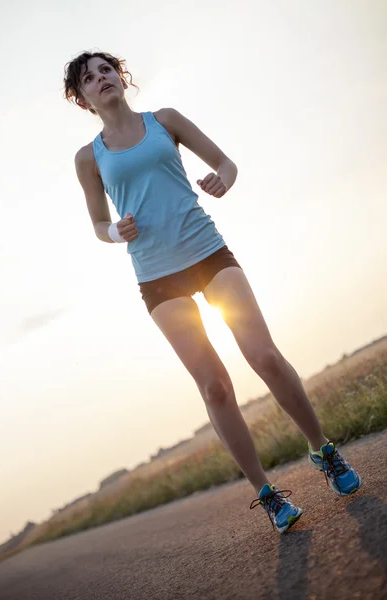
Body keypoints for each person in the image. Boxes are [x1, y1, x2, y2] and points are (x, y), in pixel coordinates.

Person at [63, 50, 362, 534]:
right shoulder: (88, 158)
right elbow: (98, 224)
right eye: (89, 79)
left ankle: (323, 450)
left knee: (263, 355)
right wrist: (116, 232)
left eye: (106, 70)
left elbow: (225, 162)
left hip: (207, 251)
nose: (102, 79)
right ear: (82, 99)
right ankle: (266, 493)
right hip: (157, 276)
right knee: (215, 386)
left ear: (120, 76)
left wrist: (222, 179)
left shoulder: (165, 120)